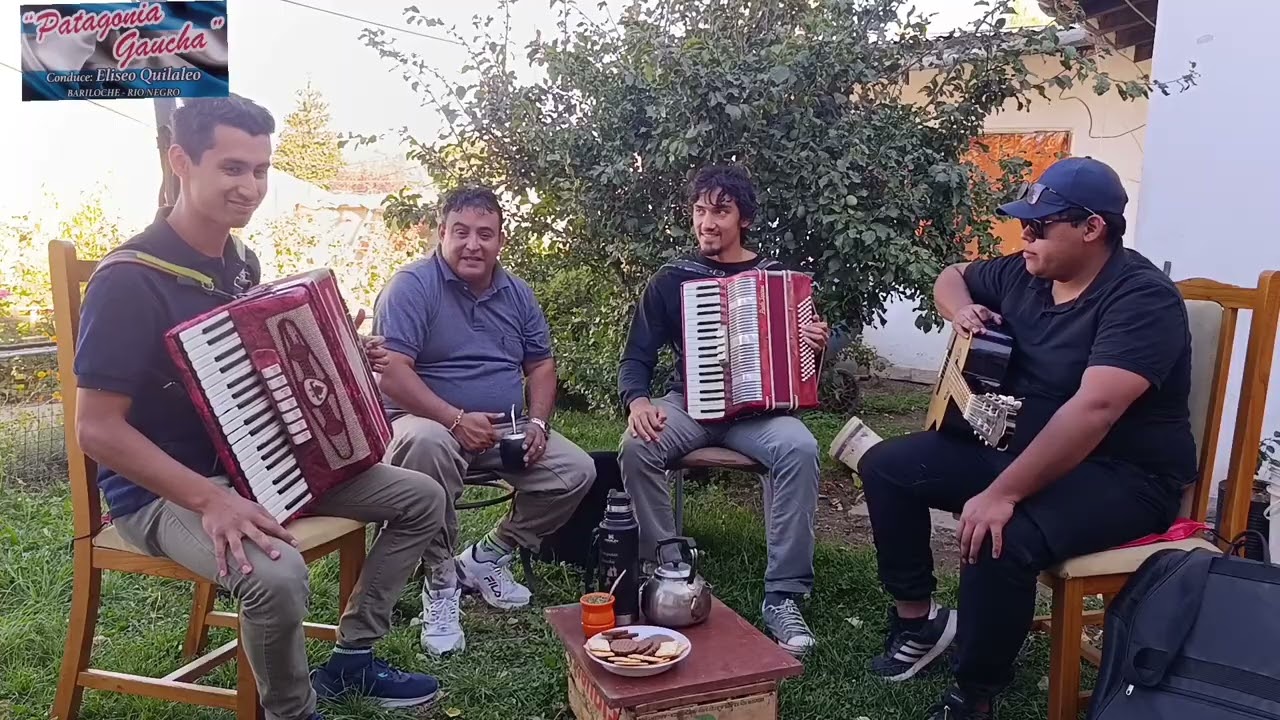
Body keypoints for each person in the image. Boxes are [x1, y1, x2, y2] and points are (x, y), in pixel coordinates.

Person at [73, 96, 447, 720]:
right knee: (278, 576)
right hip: (163, 493)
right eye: (232, 168)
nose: (250, 187)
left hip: (261, 467)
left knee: (422, 499)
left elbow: (256, 372)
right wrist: (211, 500)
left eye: (260, 169)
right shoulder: (129, 280)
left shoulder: (241, 264)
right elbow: (96, 429)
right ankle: (291, 712)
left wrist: (338, 353)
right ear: (181, 162)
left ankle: (353, 656)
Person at [856, 156, 1196, 719]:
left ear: (1092, 228)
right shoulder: (1026, 272)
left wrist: (1002, 493)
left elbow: (1095, 409)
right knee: (887, 467)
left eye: (1039, 226)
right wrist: (962, 311)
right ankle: (920, 622)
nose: (1025, 237)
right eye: (1023, 224)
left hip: (1125, 475)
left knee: (1000, 531)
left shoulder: (1141, 299)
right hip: (1019, 446)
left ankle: (976, 693)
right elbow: (952, 274)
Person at [616, 164, 830, 657]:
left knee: (799, 447)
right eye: (699, 211)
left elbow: (803, 369)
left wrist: (815, 344)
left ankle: (783, 595)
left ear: (744, 219)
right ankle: (668, 568)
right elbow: (636, 357)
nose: (706, 222)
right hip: (689, 406)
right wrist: (638, 401)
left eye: (720, 211)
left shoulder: (777, 279)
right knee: (636, 445)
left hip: (757, 415)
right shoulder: (672, 279)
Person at [375, 185, 596, 656]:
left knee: (577, 471)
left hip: (502, 429)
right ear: (442, 232)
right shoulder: (411, 286)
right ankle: (440, 584)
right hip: (422, 422)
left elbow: (541, 365)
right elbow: (391, 371)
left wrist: (537, 425)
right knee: (428, 443)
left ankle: (485, 557)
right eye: (461, 232)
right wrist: (454, 419)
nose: (472, 244)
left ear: (500, 241)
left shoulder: (517, 293)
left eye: (485, 234)